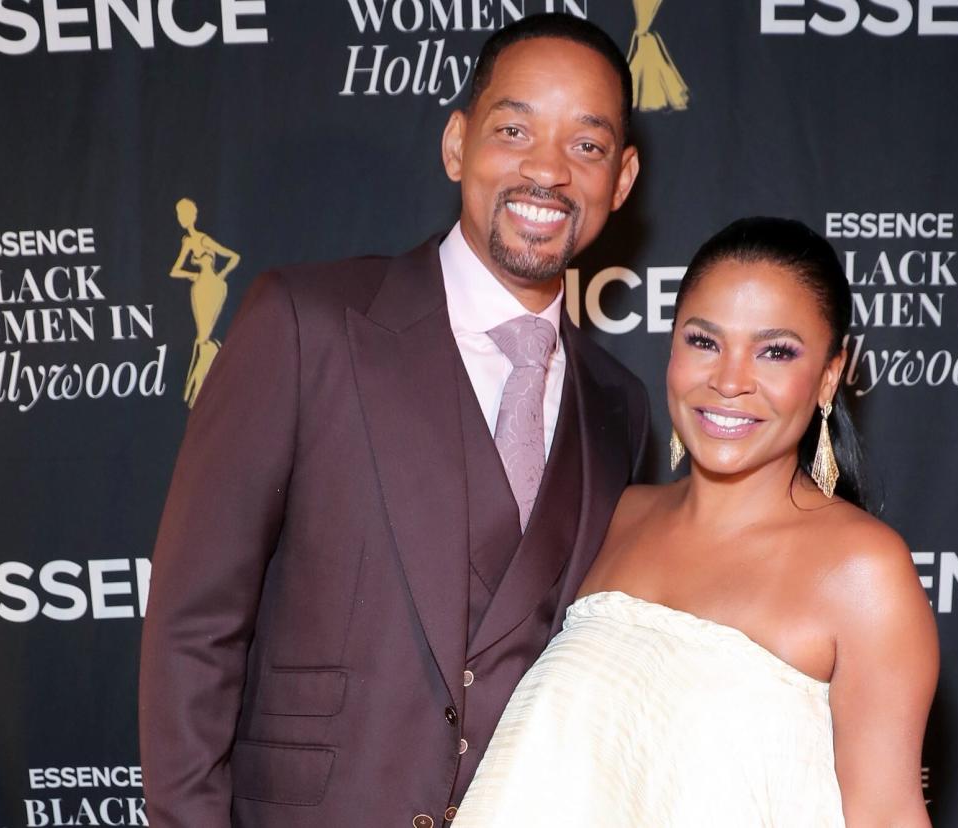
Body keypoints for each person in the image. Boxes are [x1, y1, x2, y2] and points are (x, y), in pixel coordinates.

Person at [138, 14, 646, 828]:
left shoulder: (621, 406)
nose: (547, 170)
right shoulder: (306, 324)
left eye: (585, 146)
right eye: (514, 129)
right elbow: (194, 623)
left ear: (620, 180)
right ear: (456, 144)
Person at [454, 217, 939, 827]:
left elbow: (887, 814)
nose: (730, 380)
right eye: (704, 341)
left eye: (775, 351)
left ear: (829, 376)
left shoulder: (863, 570)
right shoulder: (616, 517)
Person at [169, 197, 241, 408]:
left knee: (204, 336)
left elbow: (233, 256)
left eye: (184, 214)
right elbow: (174, 270)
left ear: (192, 215)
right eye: (179, 215)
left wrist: (221, 275)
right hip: (200, 286)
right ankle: (204, 387)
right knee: (202, 336)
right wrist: (193, 275)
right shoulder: (188, 242)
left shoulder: (203, 240)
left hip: (214, 286)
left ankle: (205, 387)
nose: (182, 219)